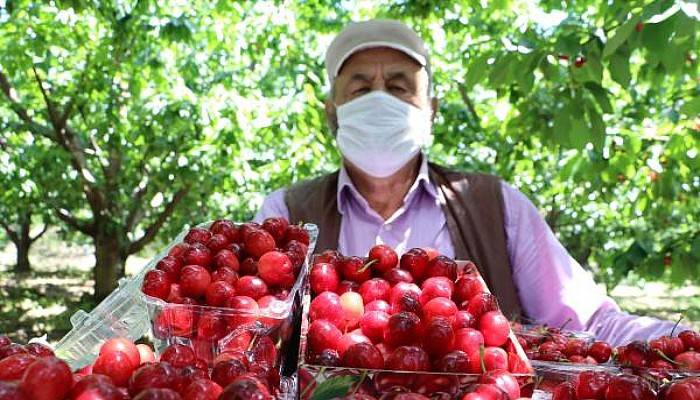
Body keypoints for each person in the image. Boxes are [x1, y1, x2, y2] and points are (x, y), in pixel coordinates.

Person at [255, 19, 685, 346]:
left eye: (400, 87)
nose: (380, 98)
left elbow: (588, 321)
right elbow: (255, 336)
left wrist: (677, 339)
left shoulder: (494, 205)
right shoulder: (286, 215)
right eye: (361, 87)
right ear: (333, 111)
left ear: (431, 110)